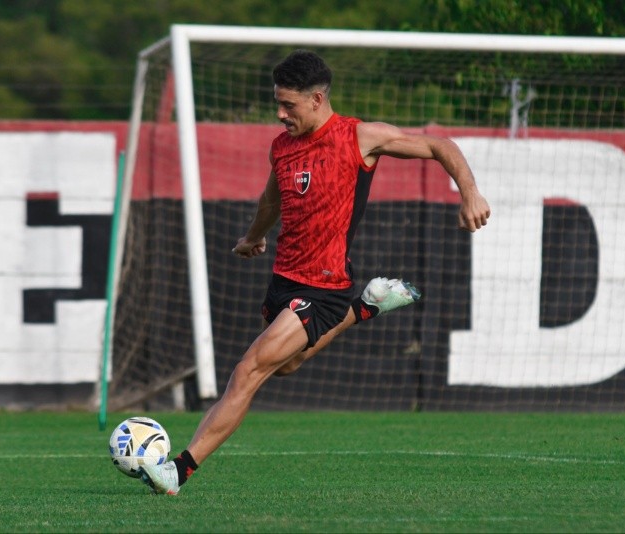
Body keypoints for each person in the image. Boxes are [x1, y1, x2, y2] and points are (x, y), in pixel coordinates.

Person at [138, 49, 491, 495]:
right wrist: (253, 237)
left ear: (318, 99)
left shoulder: (360, 137)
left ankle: (178, 470)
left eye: (289, 105)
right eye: (277, 103)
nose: (279, 113)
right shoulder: (282, 147)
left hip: (324, 286)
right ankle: (366, 307)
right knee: (286, 367)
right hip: (284, 277)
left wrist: (470, 193)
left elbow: (441, 145)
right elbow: (272, 201)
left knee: (248, 371)